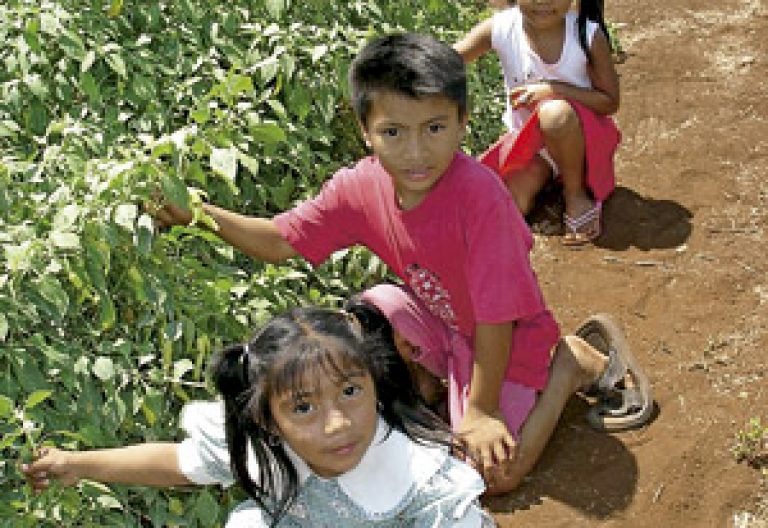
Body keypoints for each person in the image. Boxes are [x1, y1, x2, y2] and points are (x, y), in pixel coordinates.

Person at [150, 32, 652, 494]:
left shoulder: (481, 200)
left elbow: (497, 316)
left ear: (463, 120)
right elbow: (282, 239)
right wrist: (196, 215)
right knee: (360, 320)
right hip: (433, 314)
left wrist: (481, 410)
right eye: (393, 132)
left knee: (494, 475)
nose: (416, 152)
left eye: (434, 127)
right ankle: (438, 382)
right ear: (365, 130)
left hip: (505, 337)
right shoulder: (359, 186)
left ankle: (568, 365)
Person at [24, 306, 495, 527]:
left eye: (350, 392)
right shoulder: (266, 449)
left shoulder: (421, 478)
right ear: (269, 420)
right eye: (303, 407)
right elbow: (176, 464)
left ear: (375, 383)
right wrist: (75, 464)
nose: (336, 423)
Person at [454, 0, 621, 245]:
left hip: (580, 138)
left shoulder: (587, 33)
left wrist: (554, 90)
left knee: (554, 114)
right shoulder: (501, 28)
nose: (543, 1)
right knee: (508, 204)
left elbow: (609, 102)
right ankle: (548, 176)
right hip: (530, 145)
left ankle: (575, 193)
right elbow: (450, 57)